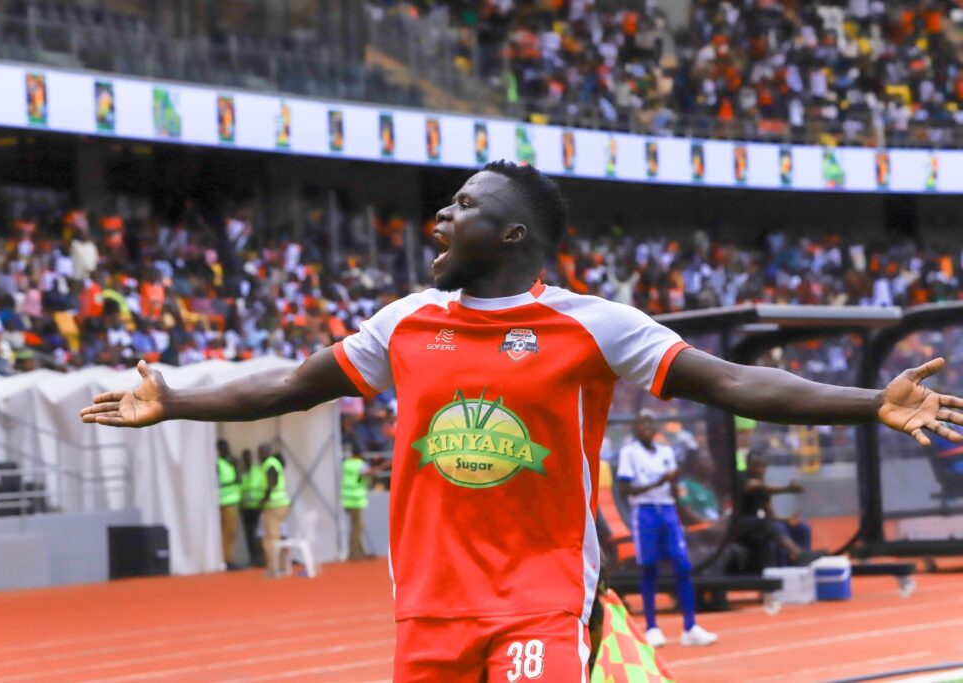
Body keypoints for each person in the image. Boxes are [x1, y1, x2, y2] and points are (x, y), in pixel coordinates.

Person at [81, 161, 963, 682]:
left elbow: (732, 380)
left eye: (464, 206)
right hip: (427, 607)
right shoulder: (404, 322)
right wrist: (177, 399)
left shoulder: (592, 324)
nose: (441, 217)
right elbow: (289, 385)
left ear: (512, 235)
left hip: (538, 600)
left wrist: (869, 401)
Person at [617, 410, 716, 648]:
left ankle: (690, 627)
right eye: (642, 423)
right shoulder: (629, 453)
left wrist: (672, 482)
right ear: (635, 427)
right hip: (645, 511)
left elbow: (673, 490)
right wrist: (658, 482)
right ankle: (652, 627)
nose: (647, 427)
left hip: (668, 510)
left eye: (651, 423)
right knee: (649, 568)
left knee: (683, 565)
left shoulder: (666, 452)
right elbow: (625, 490)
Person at [735, 452, 812, 568]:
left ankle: (805, 561)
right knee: (771, 526)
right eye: (757, 466)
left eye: (763, 466)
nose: (761, 470)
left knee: (802, 527)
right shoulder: (741, 477)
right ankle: (794, 556)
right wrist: (787, 489)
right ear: (748, 465)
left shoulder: (763, 487)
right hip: (738, 523)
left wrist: (788, 520)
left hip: (757, 524)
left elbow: (771, 516)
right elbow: (752, 486)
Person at [259, 444, 291, 577]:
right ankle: (284, 567)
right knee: (281, 536)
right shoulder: (275, 463)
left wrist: (264, 499)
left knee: (271, 539)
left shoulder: (269, 464)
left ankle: (274, 569)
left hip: (274, 505)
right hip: (282, 503)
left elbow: (272, 482)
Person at [215, 439, 240, 571]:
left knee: (231, 533)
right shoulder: (218, 464)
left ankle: (228, 558)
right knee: (228, 533)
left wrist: (236, 467)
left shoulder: (230, 463)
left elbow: (238, 480)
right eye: (224, 448)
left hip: (232, 501)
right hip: (224, 502)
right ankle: (227, 560)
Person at [238, 447, 265, 567]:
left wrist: (261, 504)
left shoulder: (258, 471)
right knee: (249, 534)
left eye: (248, 457)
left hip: (257, 507)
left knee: (258, 533)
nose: (246, 460)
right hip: (245, 507)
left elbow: (263, 487)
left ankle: (261, 557)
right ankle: (253, 558)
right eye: (245, 458)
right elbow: (240, 489)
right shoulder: (242, 473)